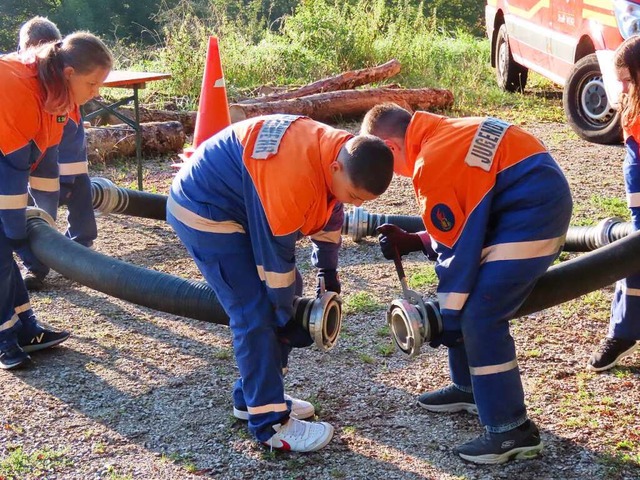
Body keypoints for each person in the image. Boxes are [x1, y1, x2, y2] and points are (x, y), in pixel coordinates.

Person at [167, 114, 394, 452]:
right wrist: (285, 316)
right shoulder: (293, 174)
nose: (355, 204)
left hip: (239, 206)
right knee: (254, 310)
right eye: (353, 195)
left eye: (363, 201)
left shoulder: (338, 151)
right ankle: (271, 423)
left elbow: (330, 214)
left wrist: (327, 274)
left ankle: (253, 397)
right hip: (205, 210)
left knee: (287, 292)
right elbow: (275, 261)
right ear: (336, 169)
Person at [361, 103, 572, 464]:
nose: (392, 173)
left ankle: (512, 431)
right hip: (528, 207)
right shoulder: (447, 132)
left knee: (479, 315)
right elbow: (467, 217)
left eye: (385, 162)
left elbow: (458, 255)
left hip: (532, 220)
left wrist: (449, 318)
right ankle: (469, 388)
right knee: (463, 299)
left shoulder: (432, 161)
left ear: (390, 147)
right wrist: (417, 239)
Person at [0, 32, 113, 369]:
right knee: (1, 249)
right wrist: (19, 229)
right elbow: (11, 170)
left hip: (9, 159)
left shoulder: (57, 96)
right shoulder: (16, 89)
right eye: (92, 84)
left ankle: (26, 328)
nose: (97, 93)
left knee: (6, 246)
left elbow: (44, 161)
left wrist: (41, 223)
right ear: (69, 74)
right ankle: (5, 338)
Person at [16, 16, 98, 291]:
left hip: (64, 163)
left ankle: (77, 249)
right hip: (36, 162)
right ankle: (38, 263)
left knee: (77, 201)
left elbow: (71, 142)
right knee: (36, 210)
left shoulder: (67, 86)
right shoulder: (23, 79)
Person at [587, 36, 640, 372]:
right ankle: (623, 332)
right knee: (632, 257)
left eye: (627, 79)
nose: (620, 88)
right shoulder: (631, 105)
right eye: (619, 80)